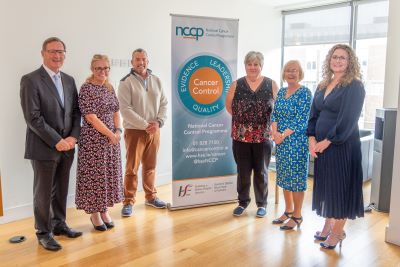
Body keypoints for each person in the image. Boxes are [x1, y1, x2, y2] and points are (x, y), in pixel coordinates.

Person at [20, 37, 82, 251]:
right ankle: (43, 232)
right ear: (43, 53)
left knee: (61, 189)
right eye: (52, 51)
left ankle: (59, 224)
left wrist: (73, 137)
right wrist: (58, 141)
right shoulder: (30, 80)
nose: (57, 56)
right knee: (43, 193)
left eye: (61, 52)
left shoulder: (69, 79)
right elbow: (33, 117)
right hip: (44, 147)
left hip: (68, 147)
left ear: (65, 54)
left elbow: (76, 112)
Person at [307, 44, 365, 249]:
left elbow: (348, 119)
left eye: (343, 58)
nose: (338, 61)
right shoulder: (324, 84)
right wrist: (311, 138)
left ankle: (338, 232)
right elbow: (314, 114)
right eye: (334, 57)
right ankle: (327, 225)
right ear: (329, 60)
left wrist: (327, 140)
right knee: (328, 188)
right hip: (322, 146)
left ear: (350, 62)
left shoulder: (354, 86)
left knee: (341, 188)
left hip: (342, 146)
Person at [226, 51, 278, 218]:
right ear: (245, 65)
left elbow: (278, 109)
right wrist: (244, 122)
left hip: (264, 136)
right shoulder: (236, 84)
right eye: (250, 64)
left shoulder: (271, 84)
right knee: (243, 171)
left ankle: (262, 204)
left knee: (261, 171)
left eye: (256, 64)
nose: (253, 67)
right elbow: (229, 107)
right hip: (241, 137)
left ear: (261, 66)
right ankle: (242, 202)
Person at [118, 48, 168, 216]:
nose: (141, 62)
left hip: (154, 131)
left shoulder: (157, 80)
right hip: (134, 132)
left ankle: (151, 197)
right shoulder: (125, 82)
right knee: (132, 167)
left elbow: (164, 103)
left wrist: (158, 122)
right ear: (132, 62)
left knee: (150, 166)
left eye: (143, 59)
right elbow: (125, 110)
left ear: (148, 61)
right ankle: (128, 201)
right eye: (137, 59)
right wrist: (146, 124)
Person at [75, 54, 123, 231]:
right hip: (93, 142)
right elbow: (91, 118)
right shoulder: (86, 89)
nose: (102, 72)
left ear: (109, 69)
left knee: (106, 176)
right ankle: (94, 214)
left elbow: (116, 112)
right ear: (92, 70)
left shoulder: (110, 88)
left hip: (110, 141)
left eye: (105, 68)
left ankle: (104, 211)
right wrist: (111, 134)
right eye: (98, 68)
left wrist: (118, 131)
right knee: (94, 177)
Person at [271, 60, 312, 230]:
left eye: (294, 70)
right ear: (284, 73)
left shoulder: (305, 93)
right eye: (288, 70)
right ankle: (288, 210)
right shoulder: (281, 92)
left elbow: (302, 119)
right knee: (284, 176)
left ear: (300, 73)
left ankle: (297, 215)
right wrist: (275, 134)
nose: (291, 73)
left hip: (296, 141)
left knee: (296, 179)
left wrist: (282, 134)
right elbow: (274, 114)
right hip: (280, 142)